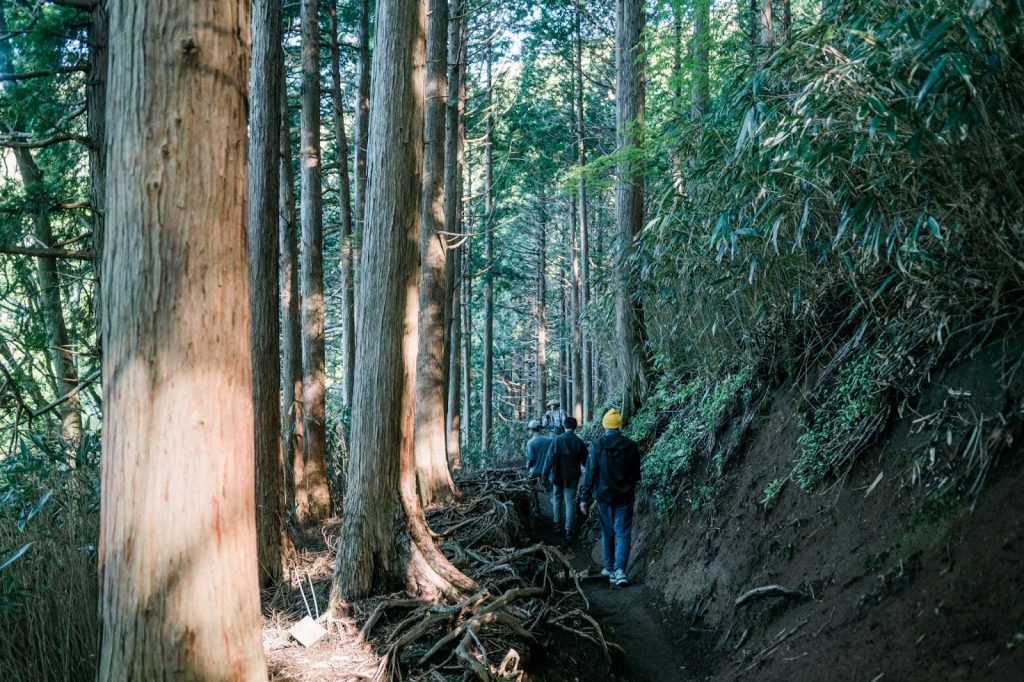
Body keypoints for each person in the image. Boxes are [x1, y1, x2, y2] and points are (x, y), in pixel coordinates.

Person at [579, 408, 641, 586]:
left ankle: (610, 568)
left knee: (607, 532)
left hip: (604, 497)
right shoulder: (631, 446)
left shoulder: (597, 445)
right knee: (623, 532)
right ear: (620, 426)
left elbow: (590, 473)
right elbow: (636, 474)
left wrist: (585, 498)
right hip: (625, 496)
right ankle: (620, 571)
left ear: (605, 426)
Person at [542, 416, 589, 540]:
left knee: (557, 498)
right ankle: (569, 530)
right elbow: (586, 463)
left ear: (564, 426)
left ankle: (557, 525)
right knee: (570, 501)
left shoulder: (557, 440)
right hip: (572, 477)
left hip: (557, 475)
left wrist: (544, 476)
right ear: (575, 427)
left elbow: (549, 460)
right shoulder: (579, 442)